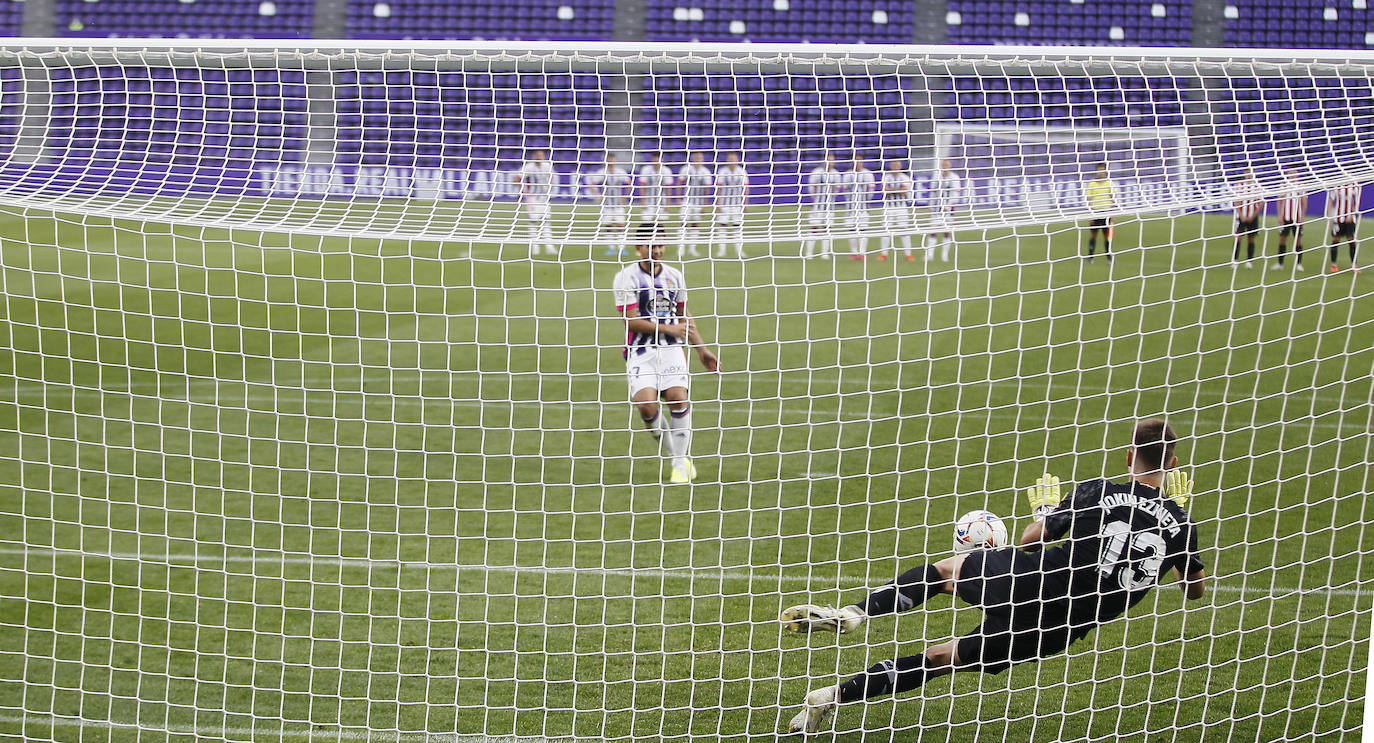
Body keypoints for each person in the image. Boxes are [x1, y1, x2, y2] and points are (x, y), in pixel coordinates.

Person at [779, 418, 1207, 734]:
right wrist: (1177, 512)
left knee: (948, 570)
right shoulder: (1181, 523)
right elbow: (1194, 590)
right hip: (1064, 628)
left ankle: (855, 612)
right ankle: (830, 699)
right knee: (940, 659)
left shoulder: (1097, 490)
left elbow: (1030, 541)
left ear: (1129, 455)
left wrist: (1045, 513)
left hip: (1039, 583)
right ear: (1172, 462)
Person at [612, 224, 720, 484]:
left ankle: (679, 465)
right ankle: (678, 458)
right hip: (640, 351)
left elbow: (684, 315)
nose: (657, 250)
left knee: (677, 399)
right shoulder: (626, 278)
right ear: (638, 249)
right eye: (651, 246)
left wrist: (702, 350)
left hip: (671, 349)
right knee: (647, 407)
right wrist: (670, 328)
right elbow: (630, 321)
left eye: (660, 245)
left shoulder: (675, 276)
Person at [586, 153, 633, 257]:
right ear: (606, 160)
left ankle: (621, 248)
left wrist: (625, 197)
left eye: (613, 159)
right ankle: (611, 248)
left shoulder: (620, 172)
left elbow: (630, 184)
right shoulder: (602, 172)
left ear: (615, 161)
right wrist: (599, 196)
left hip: (618, 205)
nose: (611, 161)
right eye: (609, 159)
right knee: (608, 225)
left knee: (621, 225)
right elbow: (592, 184)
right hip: (607, 205)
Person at [803, 153, 843, 259]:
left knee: (827, 229)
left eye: (832, 160)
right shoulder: (817, 172)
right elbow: (811, 189)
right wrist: (816, 200)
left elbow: (837, 190)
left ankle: (824, 253)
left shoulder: (836, 174)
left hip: (829, 207)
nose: (830, 163)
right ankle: (809, 253)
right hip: (817, 207)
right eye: (828, 160)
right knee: (814, 228)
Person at [516, 149, 557, 256]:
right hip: (532, 198)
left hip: (543, 198)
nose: (540, 157)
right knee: (533, 221)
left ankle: (549, 246)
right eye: (538, 155)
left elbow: (552, 176)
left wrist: (549, 186)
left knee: (546, 220)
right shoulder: (528, 167)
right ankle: (534, 247)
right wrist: (524, 191)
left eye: (542, 155)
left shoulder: (547, 166)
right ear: (534, 156)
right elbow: (516, 178)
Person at [677, 152, 715, 259]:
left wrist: (704, 205)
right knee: (683, 223)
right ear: (692, 158)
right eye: (696, 157)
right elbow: (679, 183)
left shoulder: (705, 172)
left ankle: (692, 249)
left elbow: (707, 189)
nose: (698, 159)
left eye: (700, 157)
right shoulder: (686, 169)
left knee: (695, 224)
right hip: (687, 201)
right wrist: (679, 198)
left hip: (699, 202)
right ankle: (681, 248)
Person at [714, 152, 750, 258]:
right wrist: (718, 203)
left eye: (733, 159)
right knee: (722, 226)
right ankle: (722, 250)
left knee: (737, 227)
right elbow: (719, 188)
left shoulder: (742, 171)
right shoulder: (722, 171)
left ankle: (739, 251)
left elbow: (745, 188)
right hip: (724, 204)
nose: (732, 161)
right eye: (730, 158)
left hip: (737, 204)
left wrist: (745, 203)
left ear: (737, 160)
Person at [928, 159, 963, 262]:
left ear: (950, 166)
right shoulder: (936, 177)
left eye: (947, 165)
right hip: (936, 209)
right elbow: (933, 193)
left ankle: (944, 255)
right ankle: (930, 255)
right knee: (933, 231)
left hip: (948, 209)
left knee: (946, 231)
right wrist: (931, 205)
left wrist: (947, 206)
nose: (945, 167)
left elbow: (956, 194)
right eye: (943, 165)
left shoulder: (954, 178)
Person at [879, 159, 915, 261]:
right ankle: (883, 254)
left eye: (897, 165)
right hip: (888, 207)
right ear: (891, 166)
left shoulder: (905, 178)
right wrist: (898, 190)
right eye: (893, 165)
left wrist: (892, 190)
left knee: (904, 230)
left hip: (901, 207)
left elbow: (905, 192)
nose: (895, 167)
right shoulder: (886, 177)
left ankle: (908, 254)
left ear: (900, 167)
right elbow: (885, 191)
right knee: (886, 230)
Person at [1274, 167, 1308, 272]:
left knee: (1298, 240)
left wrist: (1302, 216)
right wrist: (1279, 215)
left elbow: (1304, 202)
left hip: (1297, 218)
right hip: (1286, 218)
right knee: (1282, 239)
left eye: (1294, 172)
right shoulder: (1284, 185)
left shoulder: (1301, 186)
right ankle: (1280, 263)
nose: (1292, 174)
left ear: (1297, 173)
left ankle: (1299, 264)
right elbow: (1279, 201)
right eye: (1290, 172)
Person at [843, 154, 876, 259]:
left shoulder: (868, 174)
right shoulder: (848, 175)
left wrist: (866, 202)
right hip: (850, 208)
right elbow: (846, 191)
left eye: (860, 161)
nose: (857, 163)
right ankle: (854, 252)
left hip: (863, 208)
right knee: (851, 230)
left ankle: (862, 253)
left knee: (863, 229)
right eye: (856, 161)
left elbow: (871, 191)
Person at [1326, 181, 1362, 274]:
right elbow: (1331, 200)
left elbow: (1357, 202)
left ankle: (1354, 265)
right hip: (1338, 218)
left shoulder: (1355, 186)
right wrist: (1329, 215)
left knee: (1351, 240)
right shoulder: (1337, 186)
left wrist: (1352, 214)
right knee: (1335, 240)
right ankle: (1333, 265)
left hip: (1350, 219)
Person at [1231, 169, 1264, 268]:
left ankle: (1249, 261)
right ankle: (1235, 260)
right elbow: (1236, 201)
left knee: (1251, 238)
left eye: (1250, 172)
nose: (1248, 174)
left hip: (1252, 217)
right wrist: (1241, 215)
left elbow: (1261, 202)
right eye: (1246, 172)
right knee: (1238, 237)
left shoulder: (1257, 186)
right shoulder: (1239, 185)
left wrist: (1253, 215)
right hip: (1241, 217)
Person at [1084, 162, 1115, 264]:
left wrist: (1113, 213)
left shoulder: (1109, 183)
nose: (1100, 172)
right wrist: (1090, 213)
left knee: (1107, 237)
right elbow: (1089, 199)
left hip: (1106, 213)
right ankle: (1091, 257)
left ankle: (1108, 257)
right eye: (1099, 169)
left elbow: (1113, 198)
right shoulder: (1092, 184)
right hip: (1096, 213)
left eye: (1102, 169)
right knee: (1093, 236)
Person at [638, 152, 675, 226]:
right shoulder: (646, 170)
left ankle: (659, 237)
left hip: (661, 202)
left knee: (660, 224)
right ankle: (647, 237)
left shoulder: (666, 171)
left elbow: (668, 188)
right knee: (646, 223)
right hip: (648, 202)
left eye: (658, 158)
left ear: (662, 159)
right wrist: (643, 201)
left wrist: (667, 204)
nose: (656, 161)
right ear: (652, 159)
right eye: (655, 158)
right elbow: (642, 186)